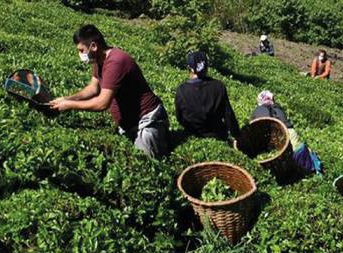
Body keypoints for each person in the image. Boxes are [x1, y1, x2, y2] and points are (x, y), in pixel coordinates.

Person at [49, 25, 169, 158]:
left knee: (147, 160)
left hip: (147, 121)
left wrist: (70, 105)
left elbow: (102, 103)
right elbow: (93, 88)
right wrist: (67, 99)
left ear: (93, 46)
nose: (80, 55)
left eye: (81, 50)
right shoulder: (99, 59)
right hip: (129, 124)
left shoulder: (115, 62)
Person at [251, 90, 321, 174]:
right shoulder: (278, 108)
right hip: (290, 135)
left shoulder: (258, 110)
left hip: (276, 140)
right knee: (299, 153)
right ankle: (310, 170)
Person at [175, 51, 240, 140]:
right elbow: (228, 115)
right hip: (217, 134)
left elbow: (180, 118)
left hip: (192, 133)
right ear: (206, 67)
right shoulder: (218, 86)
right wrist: (237, 136)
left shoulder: (182, 90)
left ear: (189, 68)